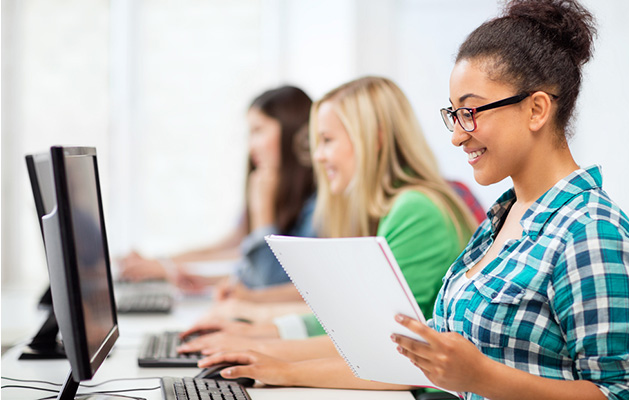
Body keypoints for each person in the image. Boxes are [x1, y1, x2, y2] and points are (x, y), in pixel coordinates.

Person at [389, 1, 629, 399]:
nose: (457, 135)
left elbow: (625, 392)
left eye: (470, 111)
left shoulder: (590, 232)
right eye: (453, 114)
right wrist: (274, 364)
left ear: (537, 109)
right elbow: (428, 358)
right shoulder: (502, 219)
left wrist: (483, 378)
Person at [179, 76, 477, 395]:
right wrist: (256, 334)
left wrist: (273, 357)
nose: (318, 156)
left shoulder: (417, 210)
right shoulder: (390, 209)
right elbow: (346, 323)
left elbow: (382, 342)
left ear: (373, 139)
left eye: (327, 140)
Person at [120, 86, 317, 293]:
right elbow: (237, 247)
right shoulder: (273, 188)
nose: (251, 147)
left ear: (292, 133)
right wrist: (167, 264)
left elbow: (268, 280)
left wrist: (263, 210)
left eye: (258, 131)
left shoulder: (313, 207)